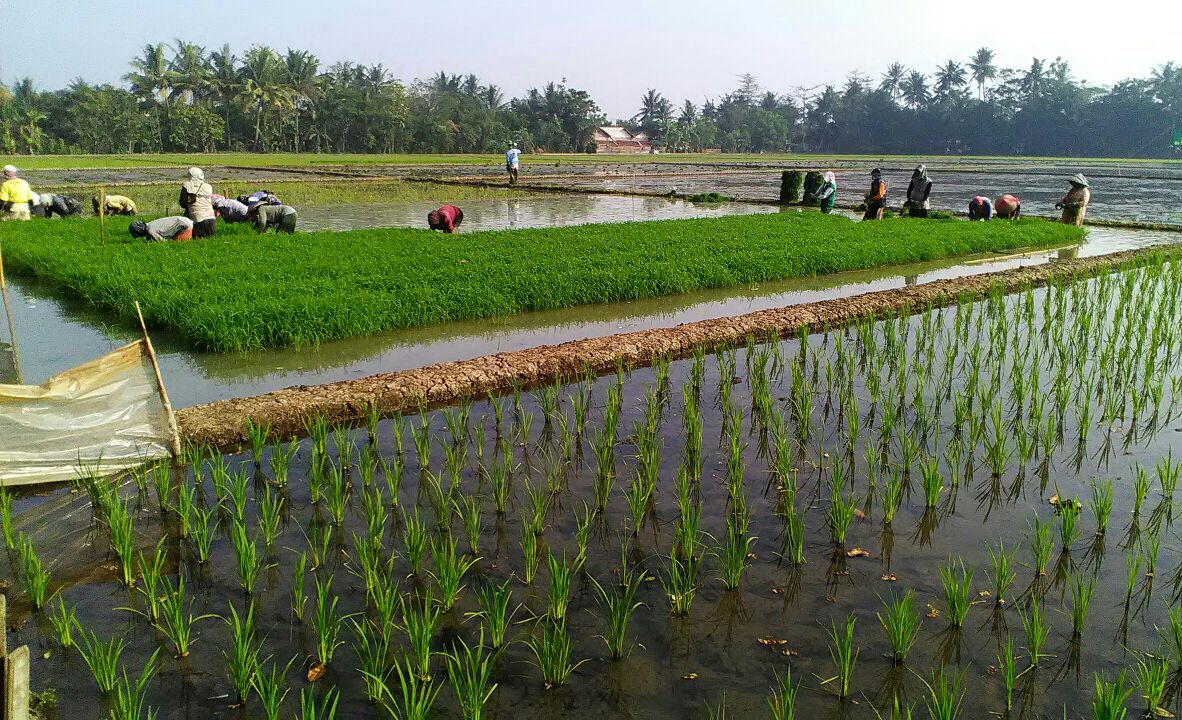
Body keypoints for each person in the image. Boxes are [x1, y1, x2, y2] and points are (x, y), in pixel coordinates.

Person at [179, 167, 216, 238]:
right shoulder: (208, 186)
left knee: (198, 240)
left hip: (197, 220)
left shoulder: (187, 185)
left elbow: (182, 202)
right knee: (210, 241)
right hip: (211, 219)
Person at [128, 217, 194, 242]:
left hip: (185, 225)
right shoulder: (150, 224)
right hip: (185, 220)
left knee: (176, 245)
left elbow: (163, 242)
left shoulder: (151, 230)